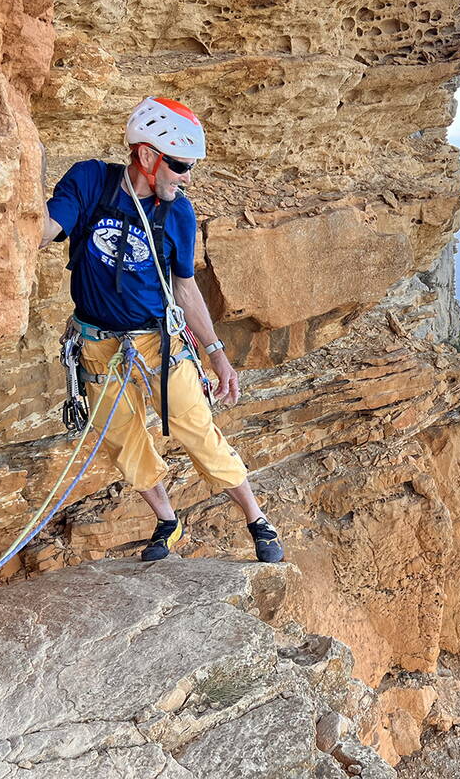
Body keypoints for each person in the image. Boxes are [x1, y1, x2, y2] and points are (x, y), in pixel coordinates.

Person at [38, 96, 282, 564]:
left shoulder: (178, 214)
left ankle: (256, 518)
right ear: (147, 155)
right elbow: (48, 227)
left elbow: (185, 288)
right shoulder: (91, 183)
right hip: (98, 347)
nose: (187, 177)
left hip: (157, 343)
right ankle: (168, 521)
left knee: (197, 429)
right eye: (180, 165)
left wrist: (217, 354)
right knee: (123, 442)